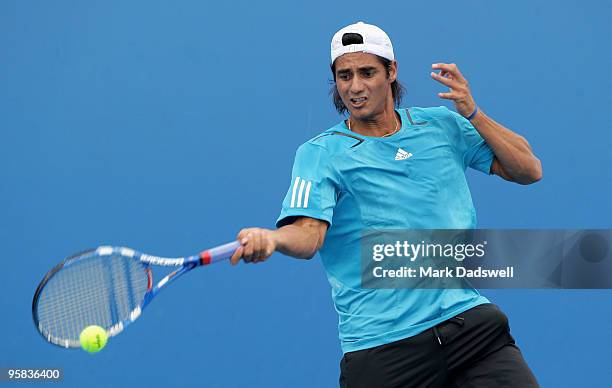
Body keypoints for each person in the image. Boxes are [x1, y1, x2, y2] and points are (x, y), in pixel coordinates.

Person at [230, 21, 542, 387]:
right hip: (384, 350)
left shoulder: (440, 126)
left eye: (367, 73)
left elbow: (528, 169)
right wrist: (273, 239)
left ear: (391, 72)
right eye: (344, 76)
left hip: (470, 329)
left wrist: (471, 111)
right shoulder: (321, 154)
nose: (355, 87)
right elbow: (307, 234)